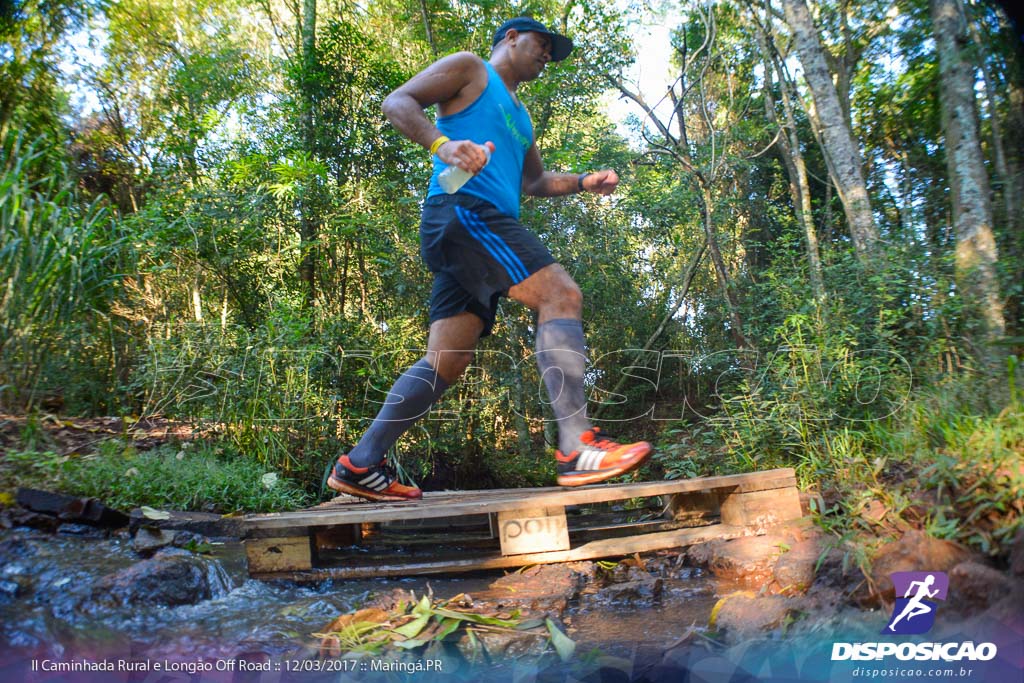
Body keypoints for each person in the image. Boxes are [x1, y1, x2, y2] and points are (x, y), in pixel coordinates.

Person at [327, 16, 652, 502]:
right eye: (542, 44)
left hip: (470, 230)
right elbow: (397, 102)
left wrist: (585, 181)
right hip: (464, 212)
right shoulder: (470, 69)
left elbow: (535, 184)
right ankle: (577, 446)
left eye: (552, 50)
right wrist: (443, 144)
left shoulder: (520, 118)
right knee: (560, 295)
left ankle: (359, 464)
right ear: (512, 38)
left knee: (446, 361)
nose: (547, 54)